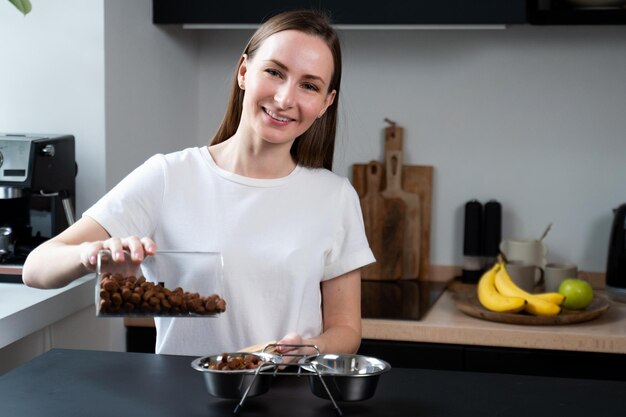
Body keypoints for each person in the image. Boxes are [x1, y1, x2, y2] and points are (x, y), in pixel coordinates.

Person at [23, 9, 375, 357]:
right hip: (181, 399)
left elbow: (345, 330)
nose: (285, 99)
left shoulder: (334, 197)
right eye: (274, 72)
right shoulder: (169, 176)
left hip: (290, 396)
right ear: (243, 72)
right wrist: (91, 254)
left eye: (309, 86)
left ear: (325, 103)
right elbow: (37, 268)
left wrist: (309, 349)